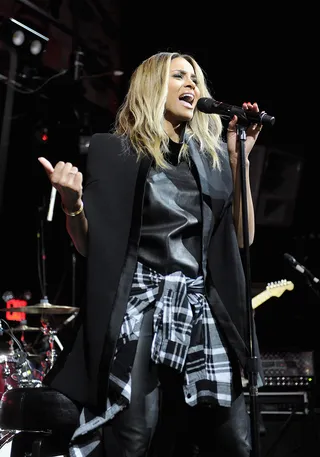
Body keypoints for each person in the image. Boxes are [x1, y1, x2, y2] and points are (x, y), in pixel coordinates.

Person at [38, 51, 264, 457]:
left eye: (195, 78)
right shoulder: (115, 152)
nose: (191, 85)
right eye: (179, 76)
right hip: (142, 301)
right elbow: (92, 245)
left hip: (200, 303)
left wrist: (237, 162)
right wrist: (73, 204)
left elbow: (242, 239)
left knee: (234, 440)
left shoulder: (210, 162)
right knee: (134, 433)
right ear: (153, 87)